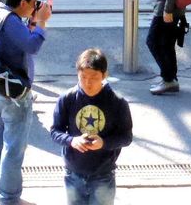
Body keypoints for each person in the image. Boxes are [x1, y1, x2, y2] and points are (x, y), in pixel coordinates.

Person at [0, 0, 51, 205]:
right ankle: (9, 198)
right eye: (33, 3)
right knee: (14, 148)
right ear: (22, 2)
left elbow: (15, 42)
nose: (34, 6)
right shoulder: (11, 22)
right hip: (15, 93)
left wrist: (31, 23)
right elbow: (32, 46)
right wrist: (41, 22)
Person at [49, 48, 133, 205]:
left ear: (104, 75)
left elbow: (126, 137)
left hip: (103, 173)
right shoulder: (67, 98)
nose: (88, 82)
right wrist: (71, 141)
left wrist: (104, 143)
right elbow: (55, 131)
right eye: (83, 77)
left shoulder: (117, 102)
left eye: (94, 77)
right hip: (73, 172)